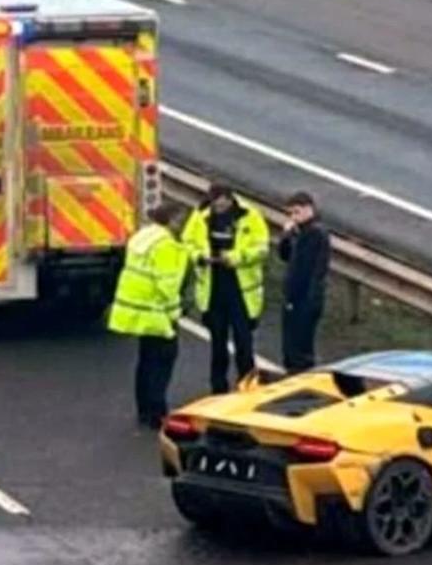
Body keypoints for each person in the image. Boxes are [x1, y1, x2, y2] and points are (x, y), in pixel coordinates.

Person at [107, 202, 189, 428]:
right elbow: (167, 285)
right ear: (172, 221)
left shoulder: (143, 237)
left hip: (138, 309)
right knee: (163, 362)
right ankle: (157, 412)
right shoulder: (167, 246)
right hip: (157, 312)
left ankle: (143, 410)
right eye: (181, 220)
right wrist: (175, 313)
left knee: (145, 362)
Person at [182, 183, 269, 393]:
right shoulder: (201, 215)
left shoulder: (250, 216)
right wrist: (200, 258)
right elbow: (187, 242)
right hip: (213, 290)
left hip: (241, 291)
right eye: (213, 204)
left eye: (220, 204)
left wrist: (236, 258)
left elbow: (262, 247)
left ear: (229, 199)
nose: (217, 209)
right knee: (218, 346)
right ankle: (218, 389)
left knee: (244, 345)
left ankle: (247, 389)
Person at [277, 192, 330, 373]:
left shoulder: (315, 233)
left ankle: (300, 376)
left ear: (309, 208)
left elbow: (312, 270)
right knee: (290, 345)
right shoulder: (299, 232)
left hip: (305, 299)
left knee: (300, 347)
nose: (294, 217)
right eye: (291, 214)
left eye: (297, 212)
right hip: (294, 297)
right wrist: (287, 235)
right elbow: (284, 255)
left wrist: (308, 301)